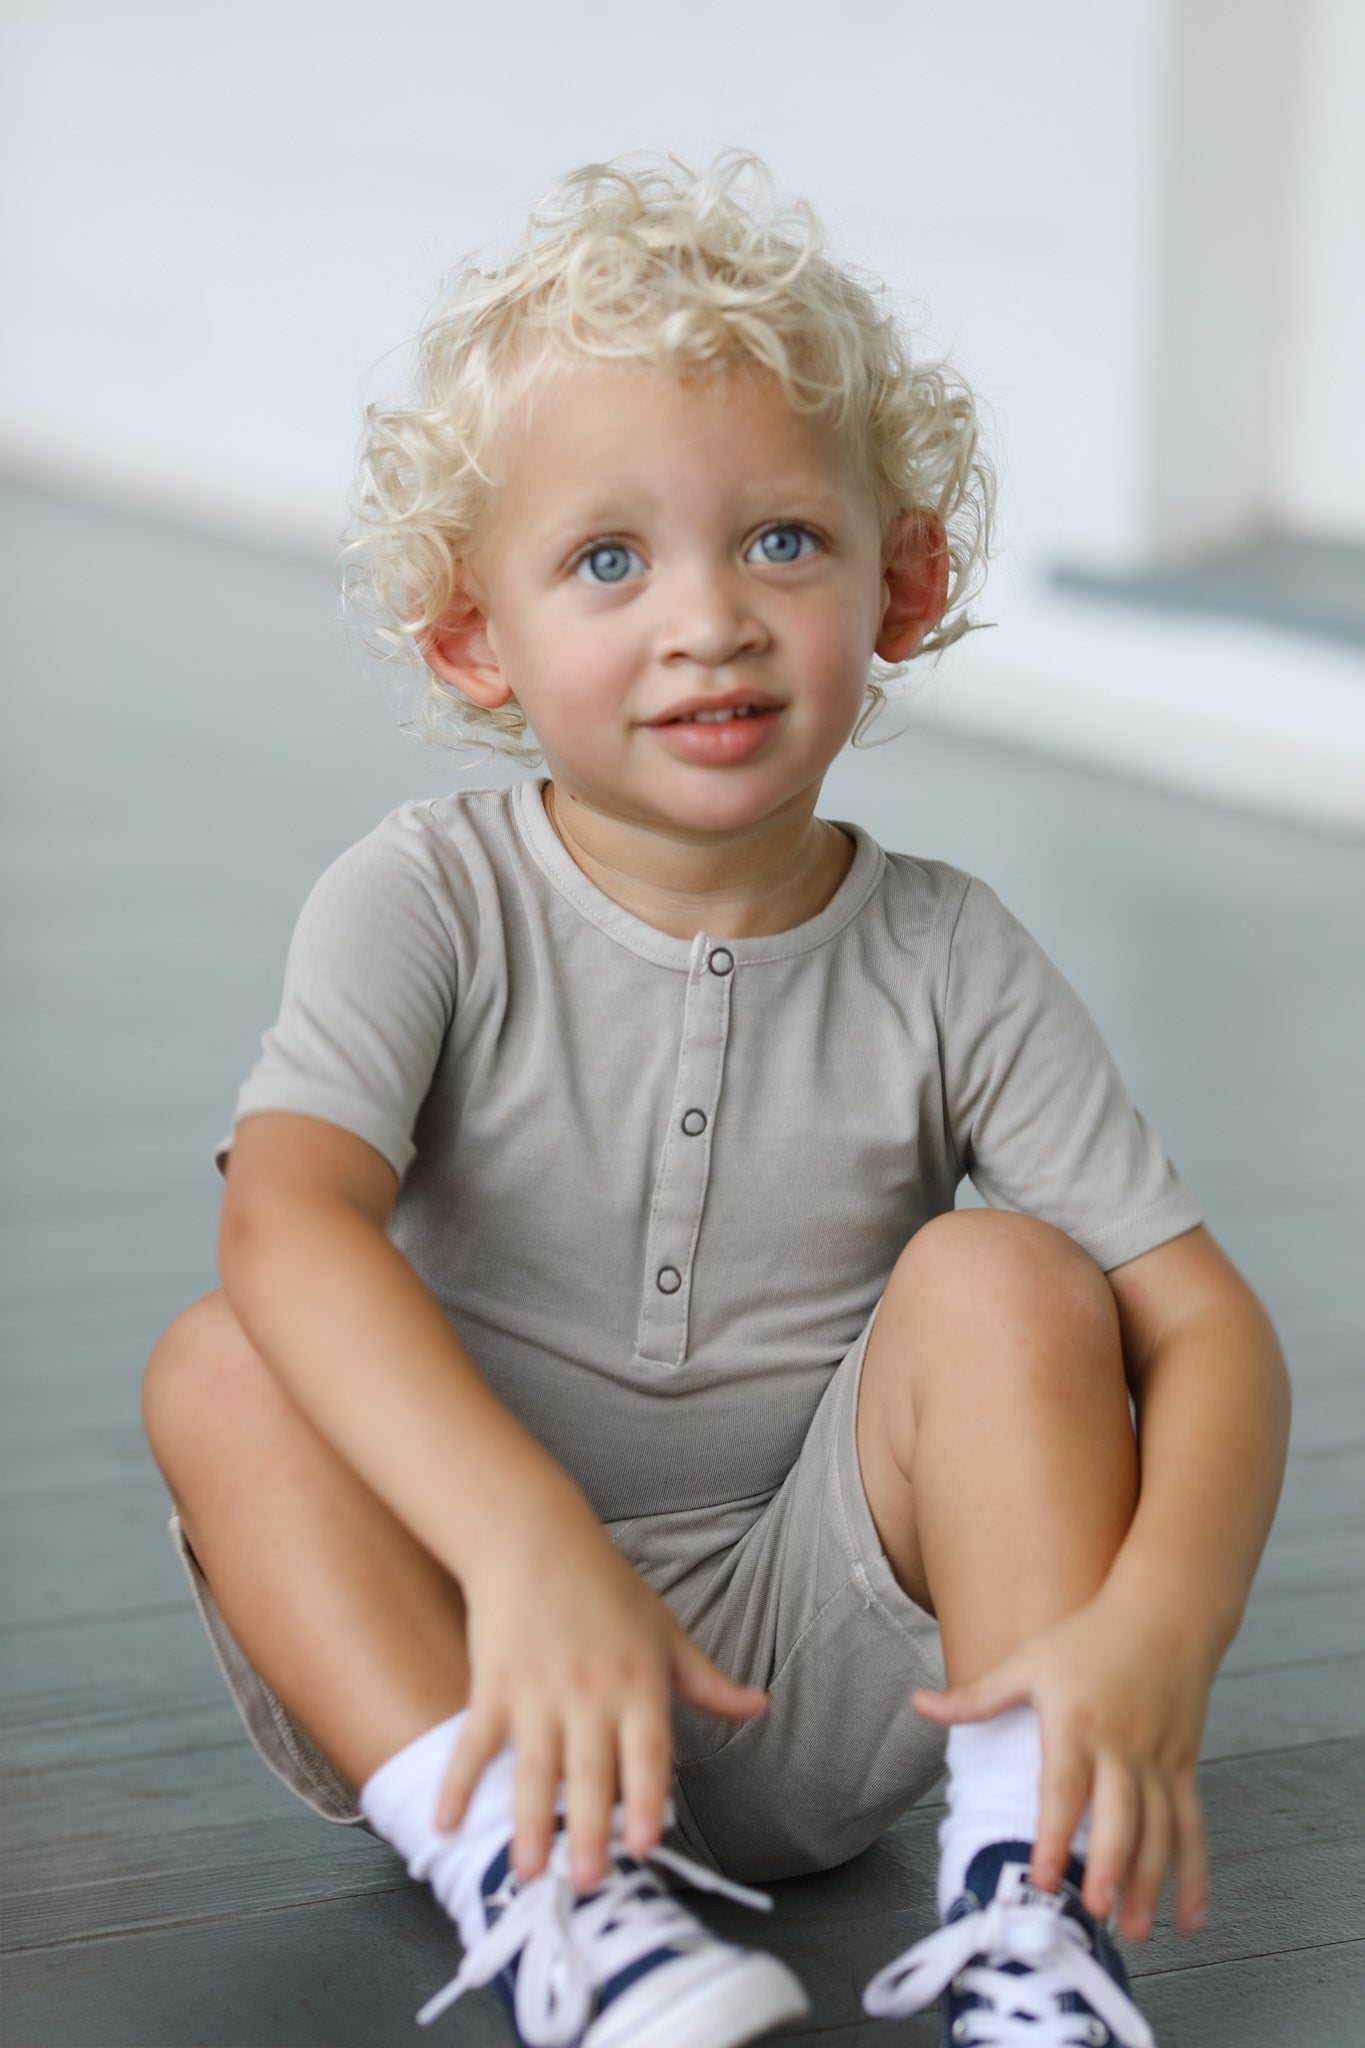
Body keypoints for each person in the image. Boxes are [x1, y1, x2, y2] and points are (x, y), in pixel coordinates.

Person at [142, 154, 1290, 2048]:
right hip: (463, 1650)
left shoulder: (948, 951)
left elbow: (1206, 1327)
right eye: (609, 559)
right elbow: (285, 1216)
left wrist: (1160, 1619)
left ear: (899, 581)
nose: (709, 621)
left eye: (779, 541)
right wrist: (522, 1542)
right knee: (223, 1355)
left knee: (1010, 1276)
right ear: (471, 634)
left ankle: (1032, 1901)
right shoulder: (423, 896)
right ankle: (553, 1898)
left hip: (817, 1683)